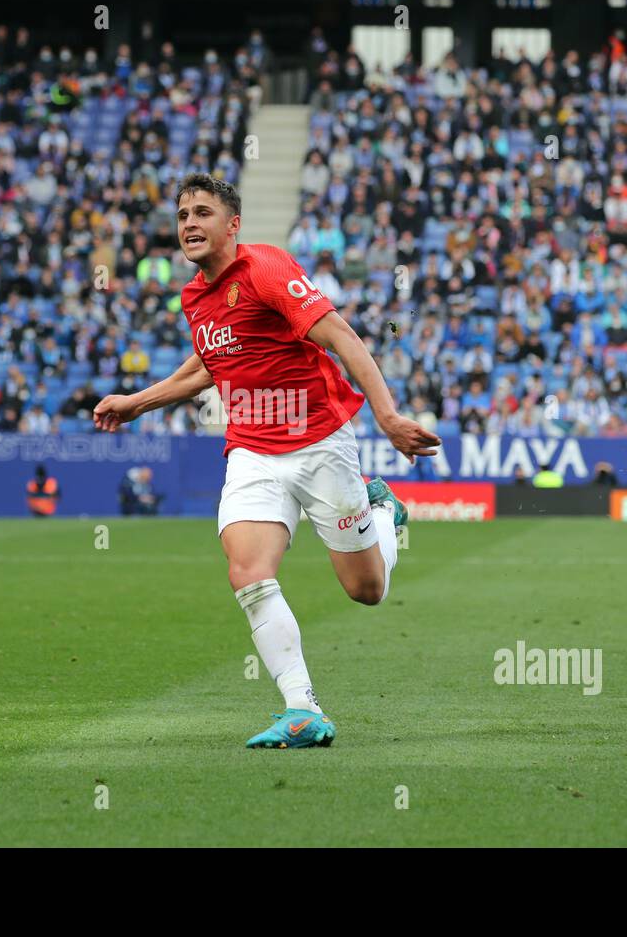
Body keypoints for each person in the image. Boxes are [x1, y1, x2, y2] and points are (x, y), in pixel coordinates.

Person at [93, 173, 440, 750]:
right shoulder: (194, 298)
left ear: (232, 225)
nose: (189, 224)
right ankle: (302, 709)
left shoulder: (268, 270)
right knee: (248, 572)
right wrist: (139, 402)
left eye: (202, 213)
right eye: (182, 215)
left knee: (367, 591)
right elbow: (213, 363)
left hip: (320, 442)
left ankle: (382, 513)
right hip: (252, 449)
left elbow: (343, 336)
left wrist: (387, 416)